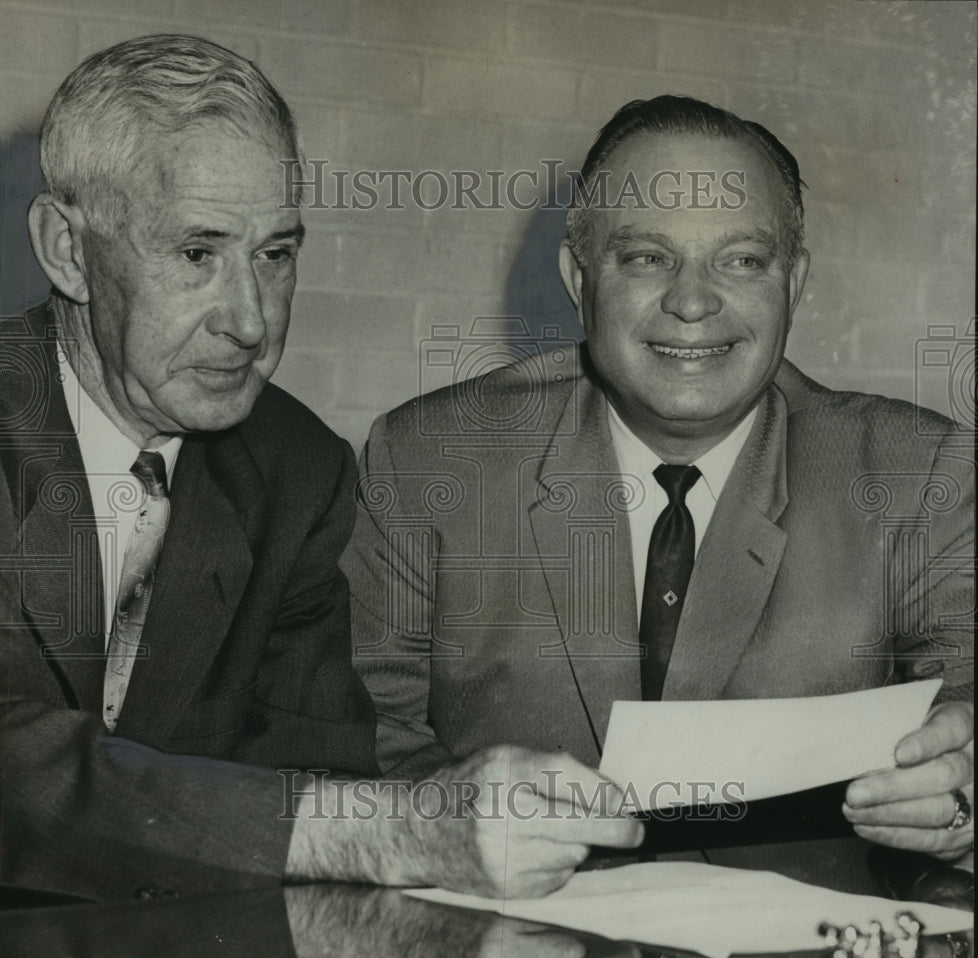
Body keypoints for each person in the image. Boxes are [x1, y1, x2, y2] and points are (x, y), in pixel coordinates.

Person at [0, 34, 641, 904]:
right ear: (68, 250)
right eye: (198, 254)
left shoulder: (296, 471)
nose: (252, 320)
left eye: (276, 255)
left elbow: (307, 768)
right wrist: (388, 829)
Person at [341, 96, 974, 866]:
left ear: (794, 283)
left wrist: (962, 790)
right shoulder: (429, 459)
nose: (693, 301)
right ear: (579, 278)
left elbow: (965, 711)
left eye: (741, 261)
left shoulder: (922, 475)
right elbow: (360, 738)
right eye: (646, 257)